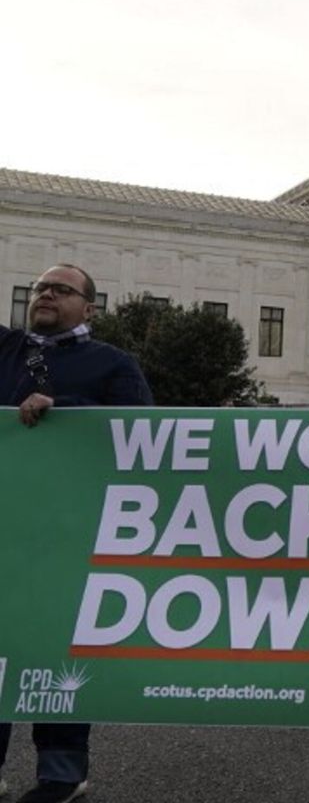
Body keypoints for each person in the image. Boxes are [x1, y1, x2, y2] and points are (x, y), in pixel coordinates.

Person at [0, 264, 151, 803]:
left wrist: (63, 411)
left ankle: (62, 775)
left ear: (90, 308)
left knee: (56, 650)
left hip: (68, 533)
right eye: (40, 287)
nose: (46, 295)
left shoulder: (112, 364)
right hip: (3, 526)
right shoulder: (6, 348)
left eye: (62, 290)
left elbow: (139, 428)